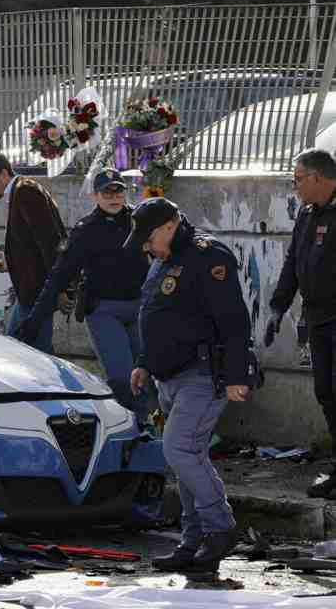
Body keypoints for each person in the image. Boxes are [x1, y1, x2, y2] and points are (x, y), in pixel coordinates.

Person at [126, 197, 256, 573]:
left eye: (149, 238)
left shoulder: (208, 255)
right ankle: (193, 542)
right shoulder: (163, 259)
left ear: (169, 226)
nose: (146, 247)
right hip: (168, 375)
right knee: (185, 460)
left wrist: (236, 376)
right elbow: (154, 313)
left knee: (180, 449)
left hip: (202, 373)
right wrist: (143, 363)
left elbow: (233, 319)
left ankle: (222, 528)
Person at [21, 169, 151, 422]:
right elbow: (60, 275)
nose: (114, 198)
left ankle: (145, 428)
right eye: (107, 192)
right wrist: (35, 318)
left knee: (145, 374)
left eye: (119, 191)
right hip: (104, 311)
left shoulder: (140, 220)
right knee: (122, 378)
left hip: (138, 307)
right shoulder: (86, 229)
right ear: (95, 196)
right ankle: (128, 430)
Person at [266, 148, 336, 499]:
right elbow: (294, 261)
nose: (295, 188)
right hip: (320, 319)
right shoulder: (308, 214)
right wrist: (279, 307)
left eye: (297, 180)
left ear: (318, 178)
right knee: (326, 393)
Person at [0, 153, 68, 353]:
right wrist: (7, 261)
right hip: (32, 291)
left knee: (25, 352)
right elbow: (32, 244)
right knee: (25, 350)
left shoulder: (25, 191)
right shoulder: (21, 190)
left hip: (36, 291)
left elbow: (49, 242)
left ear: (4, 174)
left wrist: (59, 288)